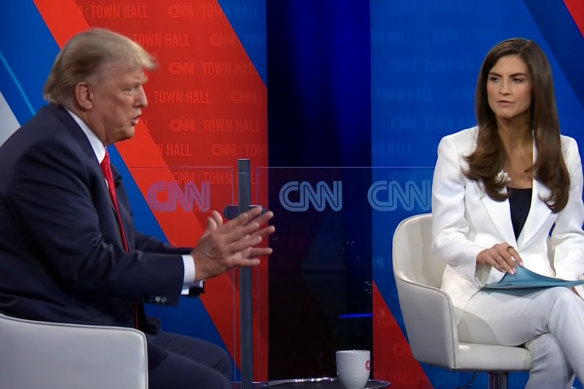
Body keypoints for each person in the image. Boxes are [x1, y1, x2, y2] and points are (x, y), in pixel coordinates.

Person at [0, 28, 275, 389]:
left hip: (94, 323)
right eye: (130, 88)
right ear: (86, 94)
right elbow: (89, 264)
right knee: (209, 383)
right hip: (61, 334)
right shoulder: (49, 153)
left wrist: (198, 260)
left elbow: (119, 240)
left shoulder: (73, 143)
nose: (143, 101)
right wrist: (196, 265)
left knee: (216, 361)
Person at [432, 37, 584, 388]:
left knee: (556, 350)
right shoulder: (457, 149)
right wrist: (480, 253)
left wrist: (569, 283)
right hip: (476, 298)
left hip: (540, 295)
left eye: (516, 79)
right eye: (494, 78)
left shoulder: (564, 151)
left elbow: (570, 234)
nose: (502, 89)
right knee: (560, 305)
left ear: (537, 87)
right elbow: (444, 237)